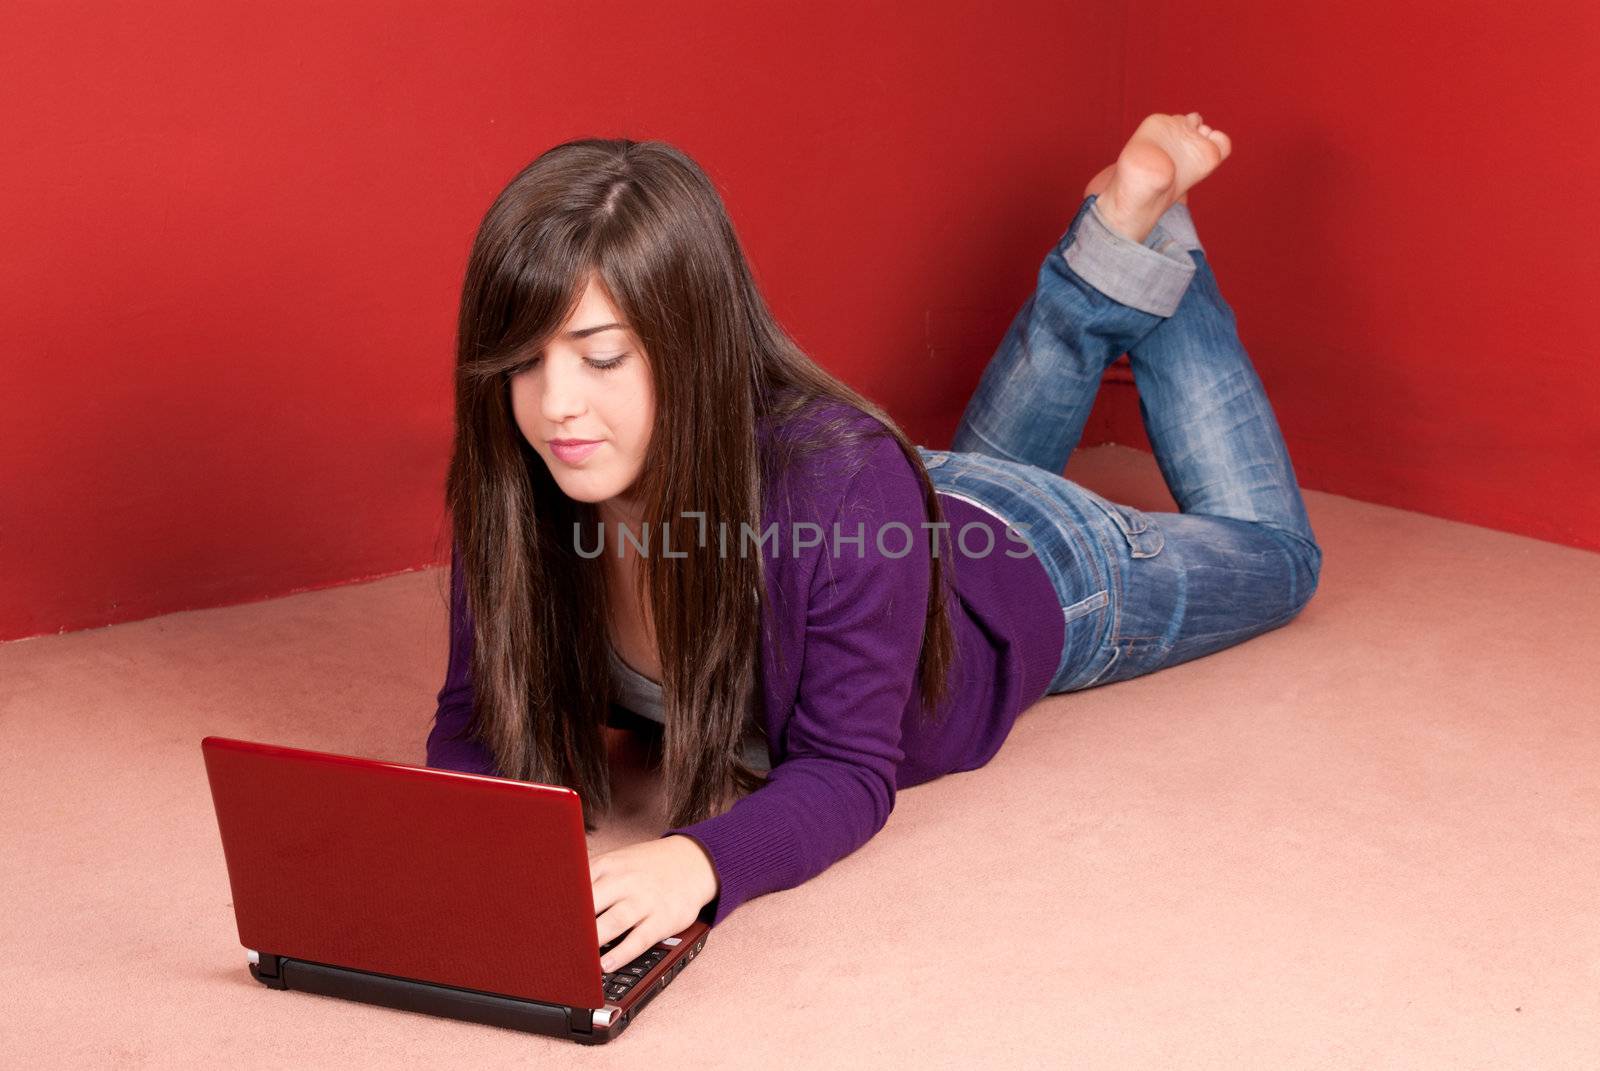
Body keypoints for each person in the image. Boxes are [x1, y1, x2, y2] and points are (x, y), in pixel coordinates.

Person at [427, 112, 1322, 975]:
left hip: (1033, 558)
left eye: (601, 356)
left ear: (690, 344)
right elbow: (475, 716)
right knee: (933, 480)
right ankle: (1110, 237)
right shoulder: (527, 474)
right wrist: (470, 838)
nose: (554, 406)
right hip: (903, 511)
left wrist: (697, 862)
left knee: (1279, 556)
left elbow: (850, 770)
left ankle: (1151, 241)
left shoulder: (843, 484)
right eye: (522, 361)